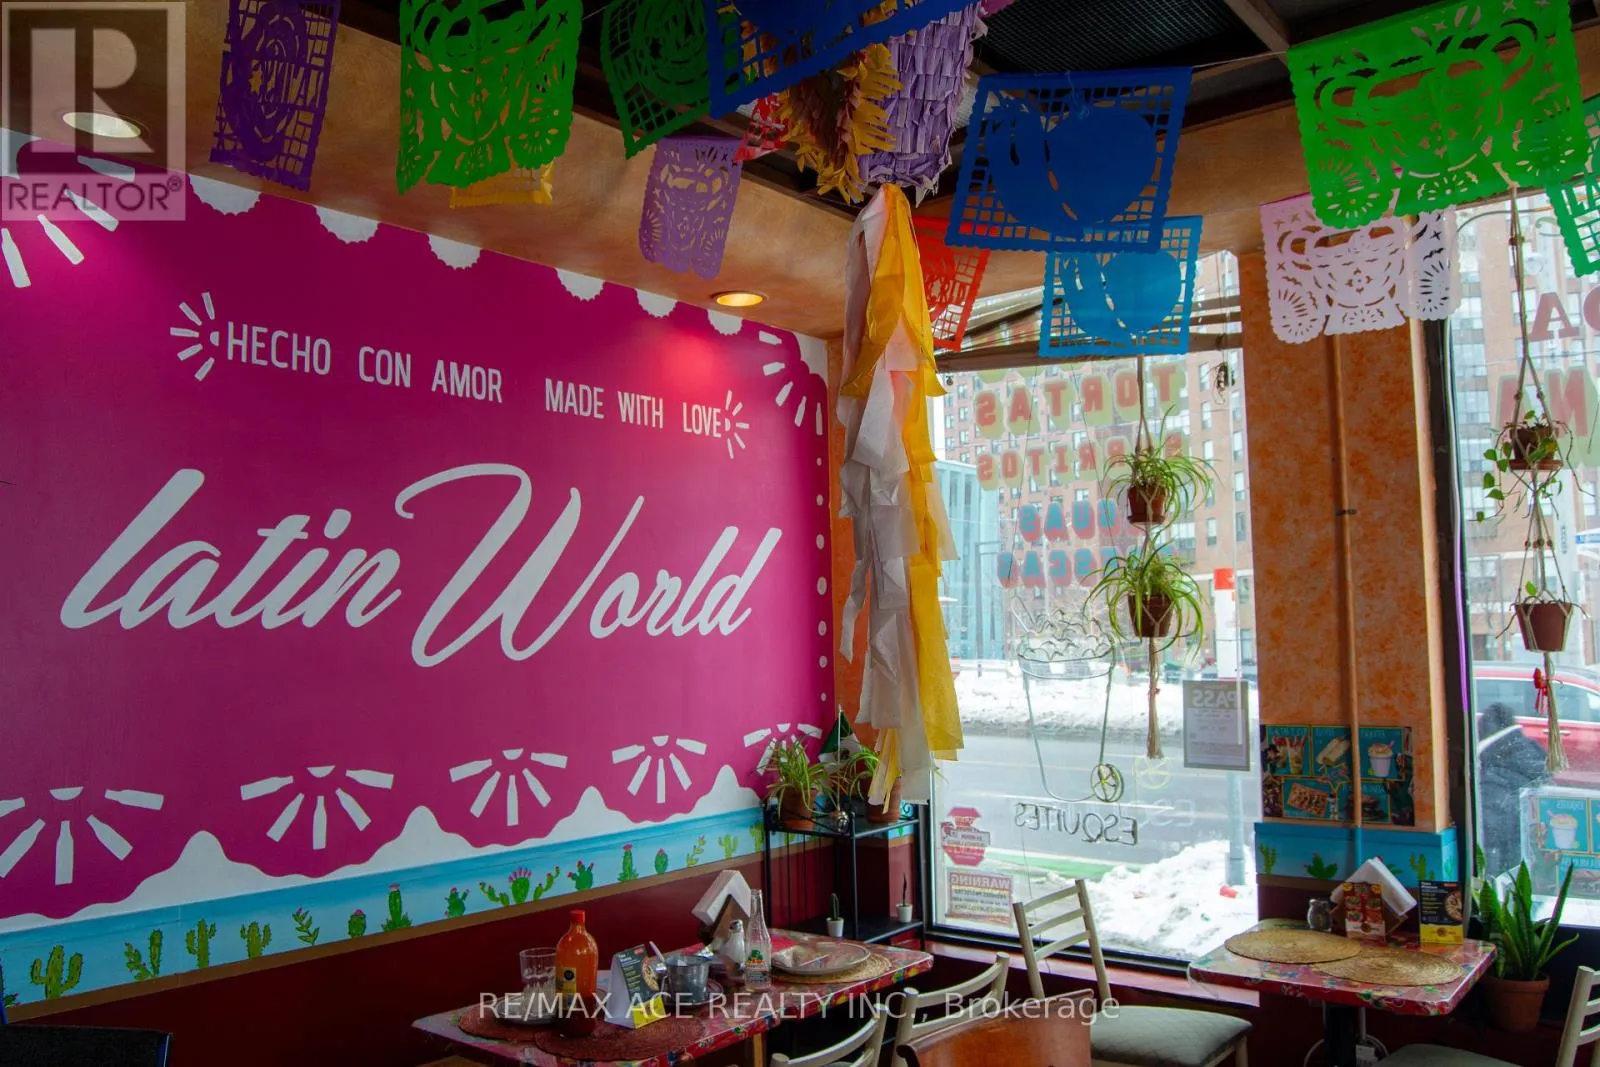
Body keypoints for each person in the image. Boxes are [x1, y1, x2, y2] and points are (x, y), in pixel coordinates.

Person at [1477, 702, 1551, 876]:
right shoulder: (1531, 752)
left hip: (1506, 865)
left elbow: (1489, 836)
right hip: (1531, 862)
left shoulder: (1493, 770)